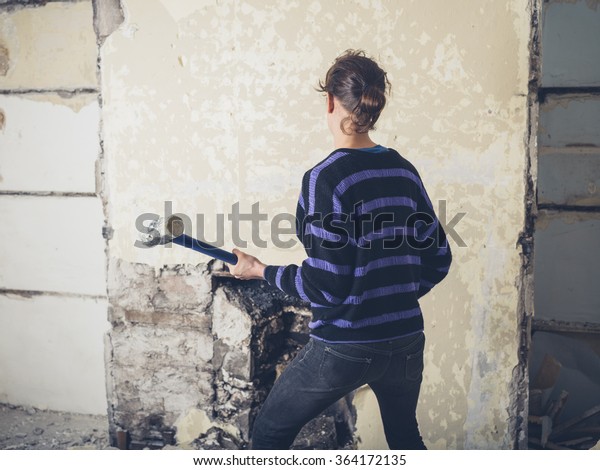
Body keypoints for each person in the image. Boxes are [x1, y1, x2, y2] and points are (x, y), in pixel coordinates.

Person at [227, 50, 452, 450]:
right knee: (405, 439)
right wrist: (392, 295)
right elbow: (439, 258)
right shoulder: (403, 170)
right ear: (375, 103)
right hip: (405, 339)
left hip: (345, 345)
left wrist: (259, 269)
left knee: (268, 435)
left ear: (330, 101)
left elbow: (325, 286)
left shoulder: (324, 179)